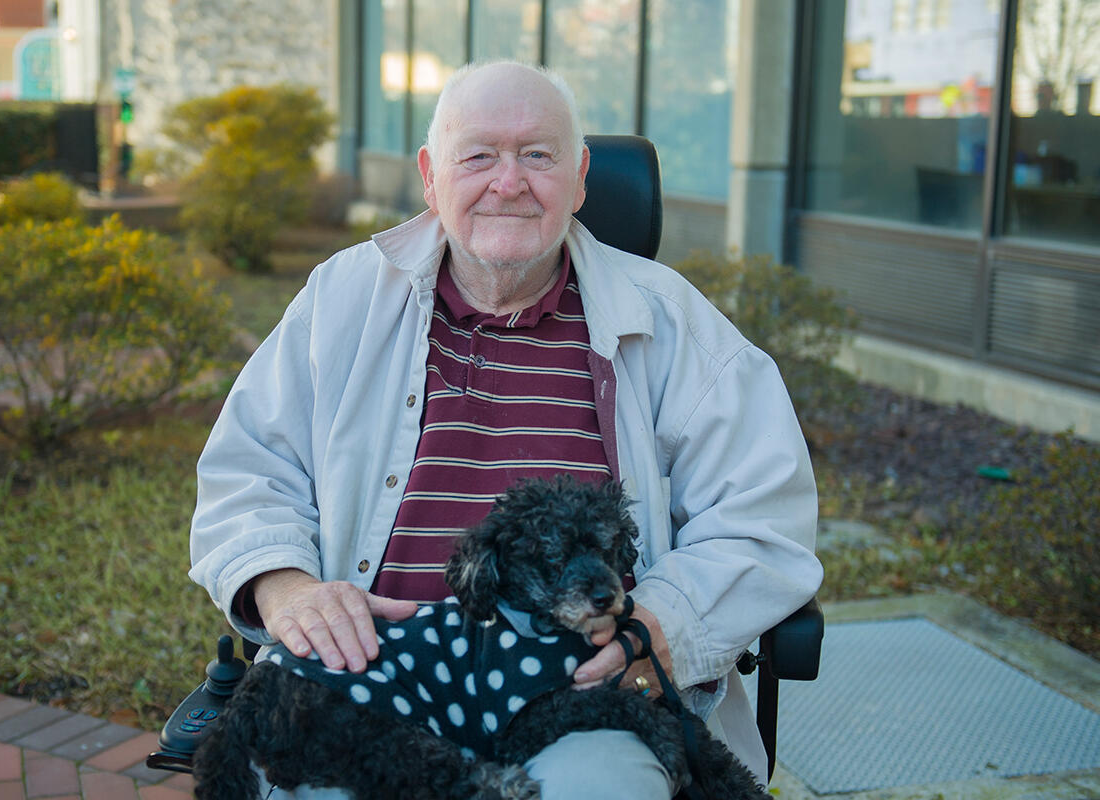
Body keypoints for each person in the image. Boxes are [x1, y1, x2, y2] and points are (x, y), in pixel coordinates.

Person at [189, 60, 823, 799]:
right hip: (370, 680)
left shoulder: (674, 323)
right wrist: (286, 586)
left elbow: (763, 515)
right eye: (479, 155)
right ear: (431, 176)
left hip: (581, 700)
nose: (509, 181)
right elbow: (248, 471)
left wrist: (662, 625)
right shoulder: (343, 299)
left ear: (581, 178)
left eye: (538, 155)